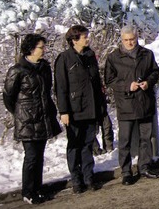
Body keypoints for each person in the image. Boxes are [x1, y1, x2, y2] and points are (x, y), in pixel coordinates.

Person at [4, 34, 62, 205]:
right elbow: (8, 97)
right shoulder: (17, 70)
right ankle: (28, 191)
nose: (44, 50)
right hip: (27, 121)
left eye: (44, 47)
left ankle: (38, 188)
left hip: (43, 118)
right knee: (31, 157)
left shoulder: (44, 68)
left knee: (40, 155)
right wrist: (22, 113)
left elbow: (47, 91)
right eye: (40, 47)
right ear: (30, 49)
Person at [105, 26, 159, 185]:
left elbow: (155, 72)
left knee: (146, 138)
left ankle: (144, 166)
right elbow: (109, 80)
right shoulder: (114, 57)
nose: (130, 43)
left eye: (132, 40)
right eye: (126, 40)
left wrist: (148, 82)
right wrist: (126, 86)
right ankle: (126, 171)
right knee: (125, 141)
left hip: (144, 101)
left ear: (137, 38)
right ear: (121, 40)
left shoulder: (147, 54)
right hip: (126, 104)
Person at [54, 25, 106, 193]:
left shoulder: (90, 56)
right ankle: (76, 180)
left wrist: (100, 105)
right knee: (75, 145)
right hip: (74, 110)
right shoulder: (64, 59)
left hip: (90, 107)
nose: (87, 39)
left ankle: (88, 177)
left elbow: (96, 83)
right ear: (74, 40)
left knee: (88, 144)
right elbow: (61, 87)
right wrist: (63, 111)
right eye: (84, 37)